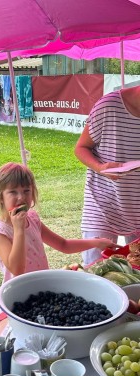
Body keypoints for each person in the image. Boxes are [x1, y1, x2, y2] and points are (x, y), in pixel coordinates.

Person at [0, 162, 117, 282]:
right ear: (0, 197)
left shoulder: (32, 219)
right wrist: (18, 229)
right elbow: (16, 270)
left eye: (26, 191)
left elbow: (63, 245)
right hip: (18, 293)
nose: (21, 197)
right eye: (13, 192)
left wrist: (96, 242)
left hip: (43, 285)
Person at [74, 86, 140, 267]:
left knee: (135, 276)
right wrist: (100, 167)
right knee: (96, 270)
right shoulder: (109, 106)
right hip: (103, 202)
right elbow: (81, 148)